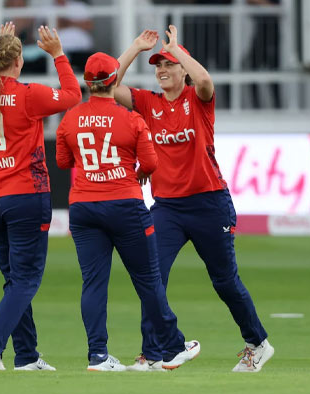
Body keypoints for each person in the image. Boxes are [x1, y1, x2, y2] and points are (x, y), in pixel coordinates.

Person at [115, 26, 274, 372]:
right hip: (168, 207)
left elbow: (204, 81)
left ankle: (257, 343)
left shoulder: (197, 100)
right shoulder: (148, 102)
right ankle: (152, 352)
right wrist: (135, 49)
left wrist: (179, 52)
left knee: (224, 281)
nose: (161, 70)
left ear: (183, 70)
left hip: (209, 202)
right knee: (151, 276)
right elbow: (110, 86)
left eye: (168, 65)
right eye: (158, 65)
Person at [56, 51, 200, 372]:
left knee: (93, 283)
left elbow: (64, 162)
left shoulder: (70, 118)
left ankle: (98, 355)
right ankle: (173, 347)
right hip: (124, 203)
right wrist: (129, 173)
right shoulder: (132, 119)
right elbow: (150, 164)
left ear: (87, 82)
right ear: (113, 81)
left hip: (83, 206)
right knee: (149, 280)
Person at [0, 22, 81, 370]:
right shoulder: (28, 94)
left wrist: (3, 44)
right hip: (25, 197)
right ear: (17, 62)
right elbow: (74, 95)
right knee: (27, 279)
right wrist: (59, 54)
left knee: (15, 281)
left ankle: (27, 357)